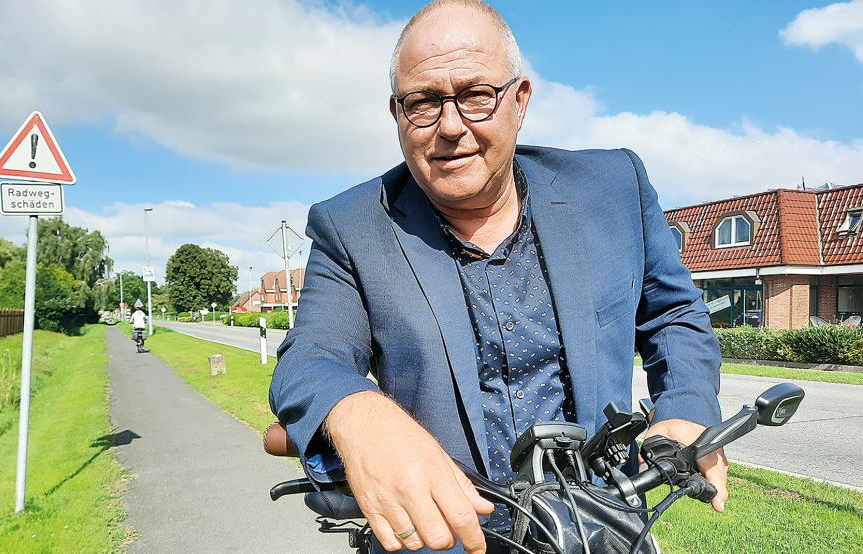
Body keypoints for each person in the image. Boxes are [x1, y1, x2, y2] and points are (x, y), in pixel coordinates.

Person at [269, 1, 725, 552]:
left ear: (519, 100)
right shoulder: (349, 228)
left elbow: (674, 314)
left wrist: (687, 407)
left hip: (603, 527)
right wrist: (359, 414)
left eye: (475, 95)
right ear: (396, 114)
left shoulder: (614, 187)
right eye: (424, 102)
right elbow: (310, 358)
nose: (451, 126)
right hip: (445, 536)